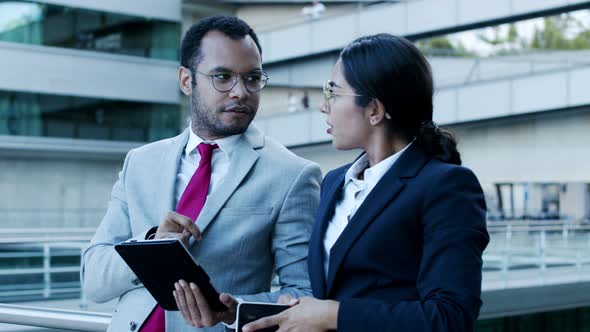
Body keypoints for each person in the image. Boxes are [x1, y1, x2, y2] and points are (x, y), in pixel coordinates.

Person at [81, 15, 321, 332]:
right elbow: (94, 279)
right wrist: (152, 243)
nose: (240, 92)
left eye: (252, 78)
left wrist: (235, 311)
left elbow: (303, 295)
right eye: (222, 77)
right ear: (186, 80)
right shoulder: (140, 162)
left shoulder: (293, 174)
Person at [243, 33, 490, 332]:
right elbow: (330, 294)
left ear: (374, 110)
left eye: (333, 93)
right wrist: (246, 309)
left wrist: (333, 316)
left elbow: (450, 318)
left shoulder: (447, 186)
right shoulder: (334, 182)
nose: (324, 106)